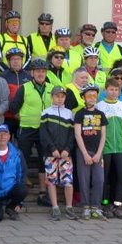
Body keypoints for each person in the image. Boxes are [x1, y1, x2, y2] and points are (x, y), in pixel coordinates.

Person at [9, 58, 53, 204]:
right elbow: (13, 108)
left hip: (45, 129)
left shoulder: (51, 88)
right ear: (32, 73)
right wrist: (21, 116)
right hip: (27, 128)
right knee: (23, 160)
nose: (41, 74)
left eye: (43, 71)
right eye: (38, 71)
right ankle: (20, 194)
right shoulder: (24, 88)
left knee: (43, 161)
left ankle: (42, 193)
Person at [40, 86, 77, 221]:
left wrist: (67, 149)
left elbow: (72, 134)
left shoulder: (69, 113)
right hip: (51, 154)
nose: (60, 99)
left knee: (68, 182)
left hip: (66, 154)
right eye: (57, 96)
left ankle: (69, 207)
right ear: (52, 97)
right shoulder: (46, 113)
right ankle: (55, 207)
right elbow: (44, 134)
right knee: (51, 181)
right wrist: (52, 149)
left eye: (62, 96)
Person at [74, 84, 107, 220]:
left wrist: (99, 153)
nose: (92, 98)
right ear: (84, 97)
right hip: (83, 152)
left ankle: (96, 207)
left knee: (99, 179)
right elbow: (77, 134)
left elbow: (103, 135)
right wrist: (85, 154)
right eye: (89, 96)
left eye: (94, 95)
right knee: (84, 179)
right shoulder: (79, 114)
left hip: (97, 152)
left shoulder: (101, 114)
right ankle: (85, 207)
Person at [97, 78, 122, 219]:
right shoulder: (99, 106)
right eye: (111, 89)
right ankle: (105, 204)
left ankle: (117, 204)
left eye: (116, 90)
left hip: (120, 147)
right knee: (105, 177)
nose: (113, 92)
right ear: (106, 90)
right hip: (105, 148)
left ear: (119, 91)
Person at [0, 124, 27, 222]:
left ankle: (11, 207)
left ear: (9, 136)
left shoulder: (17, 153)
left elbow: (22, 174)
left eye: (5, 134)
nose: (3, 137)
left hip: (10, 189)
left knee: (22, 190)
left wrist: (20, 202)